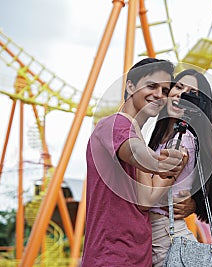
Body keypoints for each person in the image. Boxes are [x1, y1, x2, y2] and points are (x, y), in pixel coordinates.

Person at [81, 58, 195, 267]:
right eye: (151, 86)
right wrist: (161, 163)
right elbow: (134, 152)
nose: (159, 94)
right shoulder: (114, 124)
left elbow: (146, 199)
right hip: (111, 257)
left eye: (164, 89)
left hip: (139, 256)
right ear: (130, 86)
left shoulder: (138, 134)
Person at [137, 69, 212, 266]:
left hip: (166, 239)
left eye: (191, 93)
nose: (181, 95)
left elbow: (146, 198)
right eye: (178, 87)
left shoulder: (182, 142)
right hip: (160, 237)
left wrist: (133, 146)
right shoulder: (165, 139)